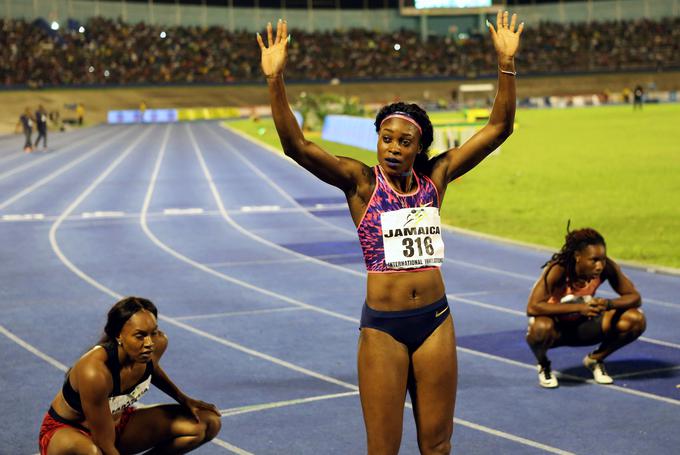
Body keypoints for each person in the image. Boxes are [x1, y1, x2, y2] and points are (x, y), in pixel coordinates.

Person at [257, 11, 522, 454]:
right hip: (384, 329)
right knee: (383, 449)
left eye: (403, 141)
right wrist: (275, 80)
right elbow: (296, 147)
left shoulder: (435, 179)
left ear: (419, 147)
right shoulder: (361, 183)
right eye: (386, 139)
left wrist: (506, 65)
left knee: (437, 445)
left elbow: (499, 129)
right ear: (376, 140)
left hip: (436, 320)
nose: (393, 148)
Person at [39, 297, 222, 454]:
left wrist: (183, 399)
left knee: (207, 423)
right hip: (69, 432)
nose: (149, 342)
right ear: (119, 335)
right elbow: (103, 442)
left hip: (119, 426)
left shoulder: (157, 344)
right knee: (92, 452)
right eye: (140, 336)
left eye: (153, 332)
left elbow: (151, 368)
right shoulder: (94, 372)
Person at [526, 227, 646, 388]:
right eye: (594, 260)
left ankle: (595, 359)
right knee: (540, 328)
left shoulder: (606, 267)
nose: (599, 266)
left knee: (635, 319)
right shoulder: (558, 269)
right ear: (578, 257)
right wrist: (579, 308)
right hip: (557, 330)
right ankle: (544, 364)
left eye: (602, 259)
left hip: (586, 325)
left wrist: (608, 304)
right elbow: (533, 307)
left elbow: (634, 297)